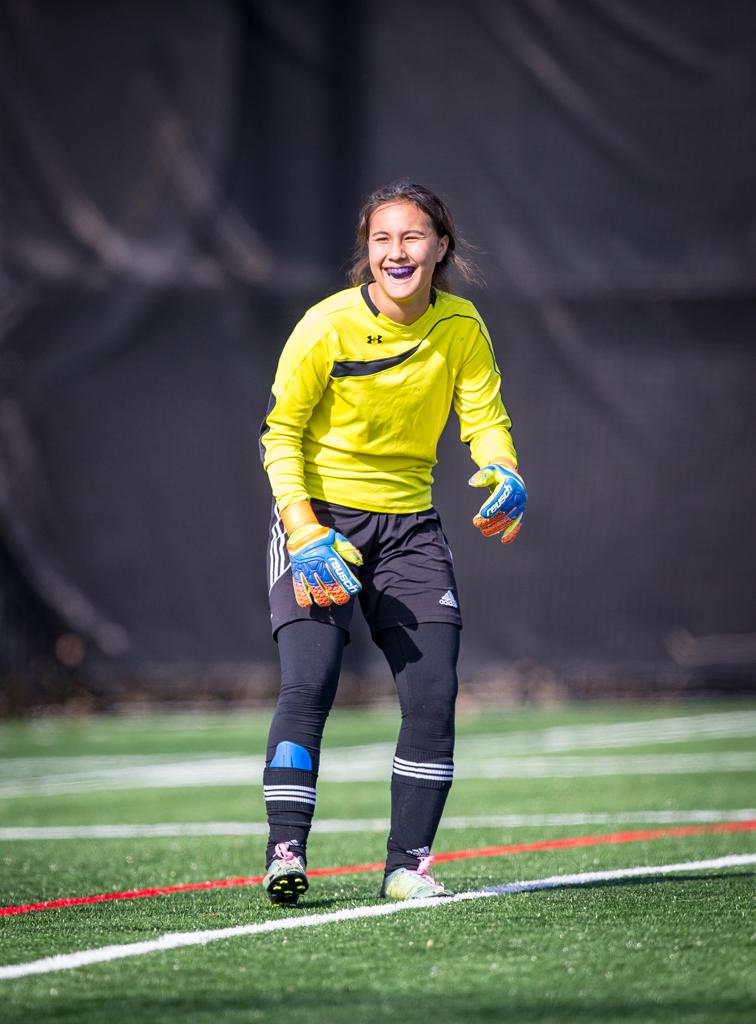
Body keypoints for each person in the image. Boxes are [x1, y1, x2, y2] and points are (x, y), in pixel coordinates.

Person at [258, 180, 527, 906]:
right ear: (366, 251)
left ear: (441, 247)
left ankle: (407, 868)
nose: (396, 251)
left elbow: (485, 416)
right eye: (382, 238)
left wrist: (502, 469)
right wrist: (305, 530)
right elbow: (278, 436)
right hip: (320, 526)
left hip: (410, 530)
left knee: (434, 692)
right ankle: (285, 851)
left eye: (412, 237)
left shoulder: (462, 326)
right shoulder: (325, 326)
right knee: (309, 683)